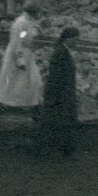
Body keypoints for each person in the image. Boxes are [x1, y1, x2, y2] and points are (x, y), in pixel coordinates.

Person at [0, 0, 44, 120]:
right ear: (32, 12)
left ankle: (36, 111)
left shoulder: (29, 22)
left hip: (27, 55)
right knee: (8, 84)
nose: (39, 15)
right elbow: (16, 41)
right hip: (17, 56)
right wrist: (20, 60)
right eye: (38, 12)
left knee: (34, 82)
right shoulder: (21, 23)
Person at [40, 27, 79, 157]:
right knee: (61, 122)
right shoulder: (61, 52)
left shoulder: (62, 51)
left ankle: (63, 148)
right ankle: (62, 149)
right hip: (61, 94)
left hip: (62, 93)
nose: (76, 42)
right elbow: (56, 76)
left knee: (61, 122)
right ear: (68, 39)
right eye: (75, 39)